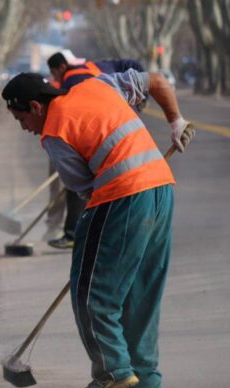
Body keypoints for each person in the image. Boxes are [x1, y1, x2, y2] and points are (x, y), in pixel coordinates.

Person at [1, 70, 194, 388]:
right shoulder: (98, 84)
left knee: (90, 292)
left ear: (36, 106)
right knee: (140, 288)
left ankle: (113, 371)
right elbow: (158, 80)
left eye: (21, 118)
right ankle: (145, 378)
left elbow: (85, 189)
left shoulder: (54, 132)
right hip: (161, 188)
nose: (24, 128)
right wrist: (175, 121)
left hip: (121, 198)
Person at [44, 52, 146, 249]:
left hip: (109, 135)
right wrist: (142, 98)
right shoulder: (96, 65)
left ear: (61, 68)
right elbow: (133, 63)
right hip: (127, 126)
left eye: (53, 72)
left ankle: (75, 234)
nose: (55, 77)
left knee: (78, 185)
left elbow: (72, 117)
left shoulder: (71, 81)